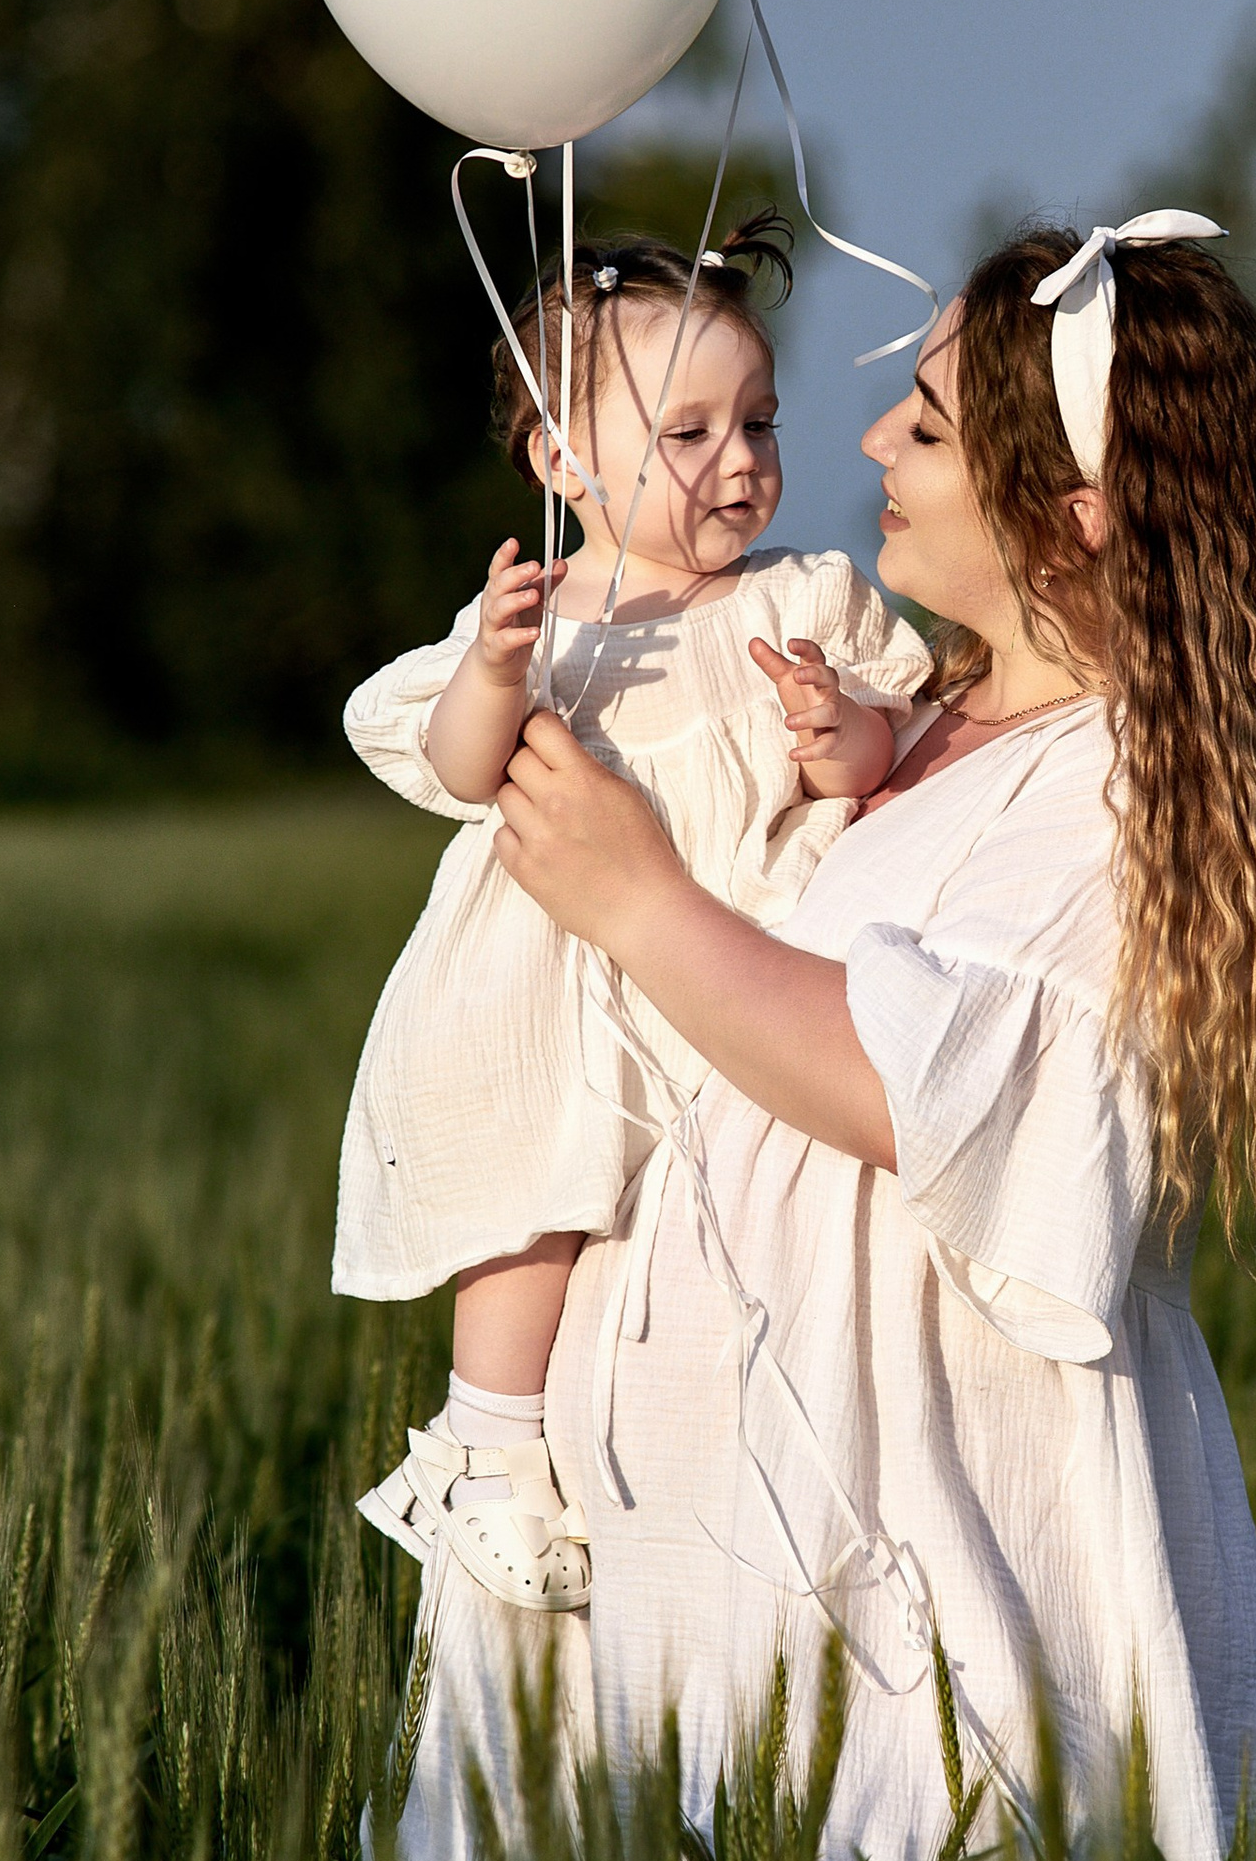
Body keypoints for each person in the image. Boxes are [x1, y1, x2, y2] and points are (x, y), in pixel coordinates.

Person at [384, 214, 1256, 1861]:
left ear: (1071, 508)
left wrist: (638, 906)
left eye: (924, 427)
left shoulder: (1121, 786)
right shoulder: (914, 717)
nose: (859, 455)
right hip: (723, 1523)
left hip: (926, 1527)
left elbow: (922, 1090)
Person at [334, 211, 933, 1608]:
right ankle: (483, 1440)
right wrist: (494, 663)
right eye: (691, 433)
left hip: (728, 966)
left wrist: (833, 725)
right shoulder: (556, 629)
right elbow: (458, 765)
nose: (742, 463)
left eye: (762, 421)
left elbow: (878, 760)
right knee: (532, 1195)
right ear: (561, 459)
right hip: (559, 979)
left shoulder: (802, 601)